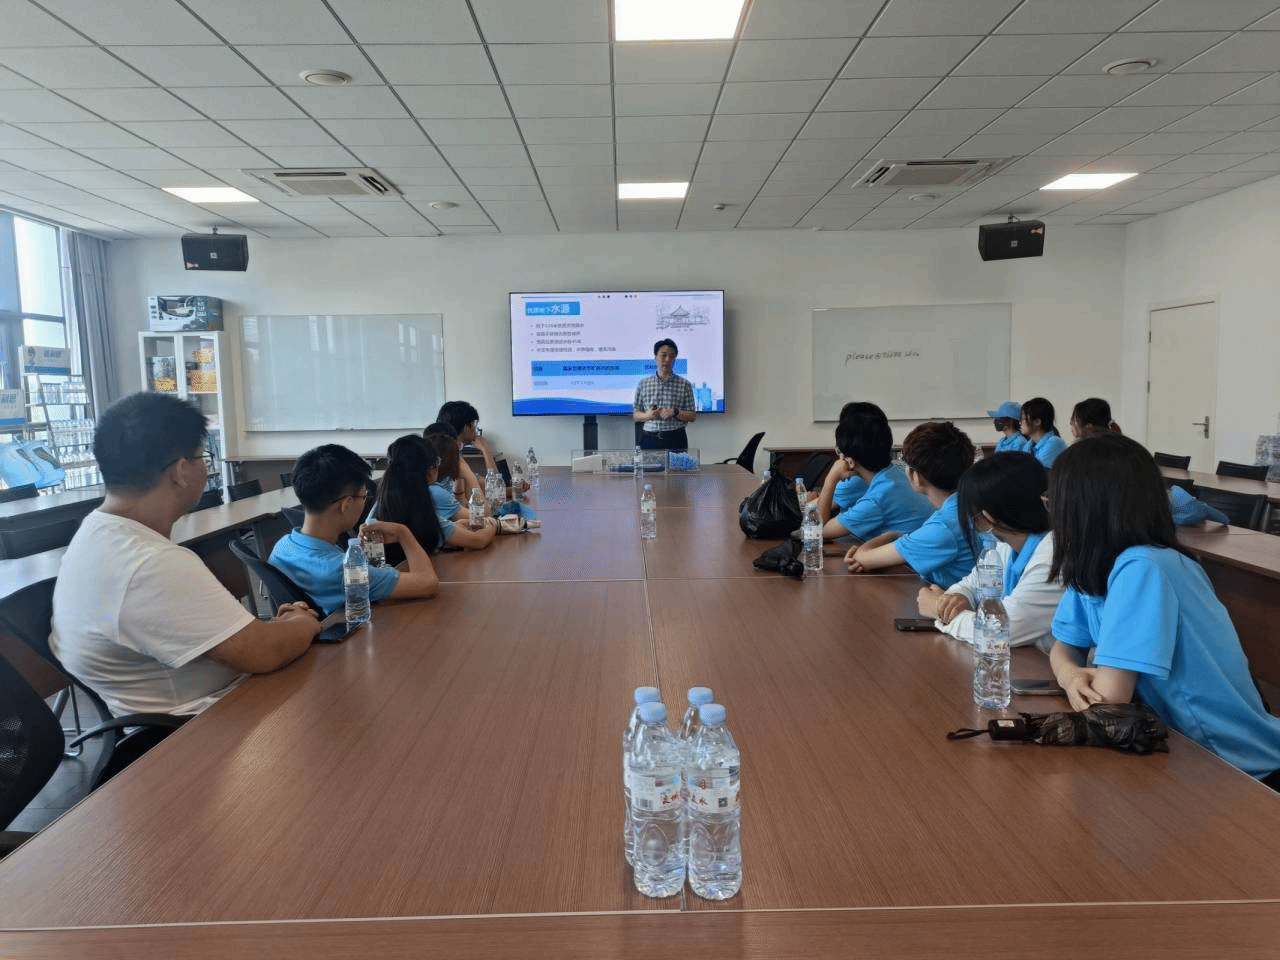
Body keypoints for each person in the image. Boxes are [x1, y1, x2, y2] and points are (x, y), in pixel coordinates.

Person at [49, 392, 321, 718]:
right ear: (180, 471)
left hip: (174, 713)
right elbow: (264, 651)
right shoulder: (149, 562)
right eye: (201, 457)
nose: (204, 467)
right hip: (204, 726)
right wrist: (302, 622)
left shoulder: (95, 534)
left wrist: (277, 628)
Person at [1046, 434, 1280, 788]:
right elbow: (1064, 646)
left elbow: (1108, 703)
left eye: (1057, 501)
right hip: (1175, 746)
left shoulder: (1143, 567)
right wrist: (1071, 676)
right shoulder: (1096, 568)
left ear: (1082, 509)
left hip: (1232, 765)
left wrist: (1084, 676)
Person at [917, 452, 1063, 653]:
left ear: (987, 517)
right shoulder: (1007, 545)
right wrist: (953, 600)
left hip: (1042, 665)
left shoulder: (1052, 557)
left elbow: (999, 631)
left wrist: (939, 611)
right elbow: (969, 584)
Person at [270, 444, 439, 615]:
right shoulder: (343, 571)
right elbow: (428, 583)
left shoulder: (282, 546)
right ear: (346, 504)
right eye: (364, 497)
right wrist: (403, 533)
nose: (364, 502)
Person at [846, 421, 976, 588]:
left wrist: (890, 534)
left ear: (917, 476)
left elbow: (862, 557)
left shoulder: (943, 527)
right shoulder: (966, 505)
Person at [817, 402, 932, 541]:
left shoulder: (877, 500)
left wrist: (831, 478)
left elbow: (818, 530)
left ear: (850, 461)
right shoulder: (899, 470)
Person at [370, 435, 449, 561]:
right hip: (411, 569)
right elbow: (477, 540)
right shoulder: (430, 496)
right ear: (429, 468)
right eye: (436, 462)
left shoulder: (385, 500)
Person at [423, 429, 500, 549]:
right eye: (458, 454)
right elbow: (484, 517)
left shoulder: (437, 486)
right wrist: (466, 471)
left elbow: (463, 503)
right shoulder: (436, 492)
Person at [633, 338, 696, 450]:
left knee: (678, 463)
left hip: (676, 437)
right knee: (649, 463)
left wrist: (675, 412)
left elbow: (692, 416)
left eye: (671, 356)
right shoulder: (643, 383)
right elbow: (636, 415)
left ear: (675, 359)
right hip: (649, 438)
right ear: (655, 357)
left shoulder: (684, 384)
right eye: (663, 355)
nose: (667, 359)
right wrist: (648, 415)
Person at [1020, 396, 1067, 469]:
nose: (1020, 422)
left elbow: (1035, 471)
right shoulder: (1029, 445)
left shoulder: (1054, 442)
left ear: (1037, 422)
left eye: (1023, 418)